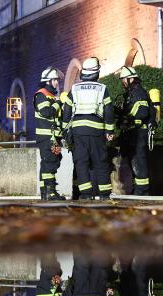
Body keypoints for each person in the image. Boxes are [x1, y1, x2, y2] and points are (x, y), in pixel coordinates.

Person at [62, 57, 115, 200]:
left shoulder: (74, 88)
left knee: (81, 162)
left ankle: (85, 195)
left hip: (78, 131)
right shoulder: (102, 89)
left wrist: (65, 130)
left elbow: (66, 111)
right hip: (96, 131)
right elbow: (109, 111)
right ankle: (104, 195)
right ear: (96, 73)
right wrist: (110, 131)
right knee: (100, 162)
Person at [119, 66, 152, 195]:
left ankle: (143, 190)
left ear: (131, 78)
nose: (122, 82)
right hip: (133, 132)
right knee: (133, 160)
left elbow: (142, 112)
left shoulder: (139, 92)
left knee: (139, 160)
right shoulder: (130, 93)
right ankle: (137, 188)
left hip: (140, 132)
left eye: (124, 79)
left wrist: (128, 116)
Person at [34, 67, 66, 200]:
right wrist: (59, 102)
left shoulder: (51, 96)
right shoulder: (41, 95)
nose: (57, 83)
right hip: (47, 137)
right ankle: (50, 193)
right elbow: (46, 112)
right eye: (55, 80)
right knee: (50, 163)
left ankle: (45, 192)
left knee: (49, 162)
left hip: (52, 136)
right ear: (48, 81)